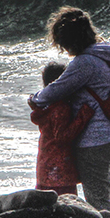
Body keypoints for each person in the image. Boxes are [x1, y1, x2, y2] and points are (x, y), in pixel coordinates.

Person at [28, 7, 110, 213]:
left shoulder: (85, 62)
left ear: (70, 40)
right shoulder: (107, 56)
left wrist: (34, 98)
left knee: (99, 203)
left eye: (63, 43)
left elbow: (54, 90)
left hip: (96, 141)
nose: (64, 49)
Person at [29, 61, 93, 196]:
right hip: (60, 168)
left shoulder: (45, 105)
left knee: (45, 205)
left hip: (45, 164)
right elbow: (62, 137)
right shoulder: (61, 108)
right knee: (66, 205)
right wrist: (83, 115)